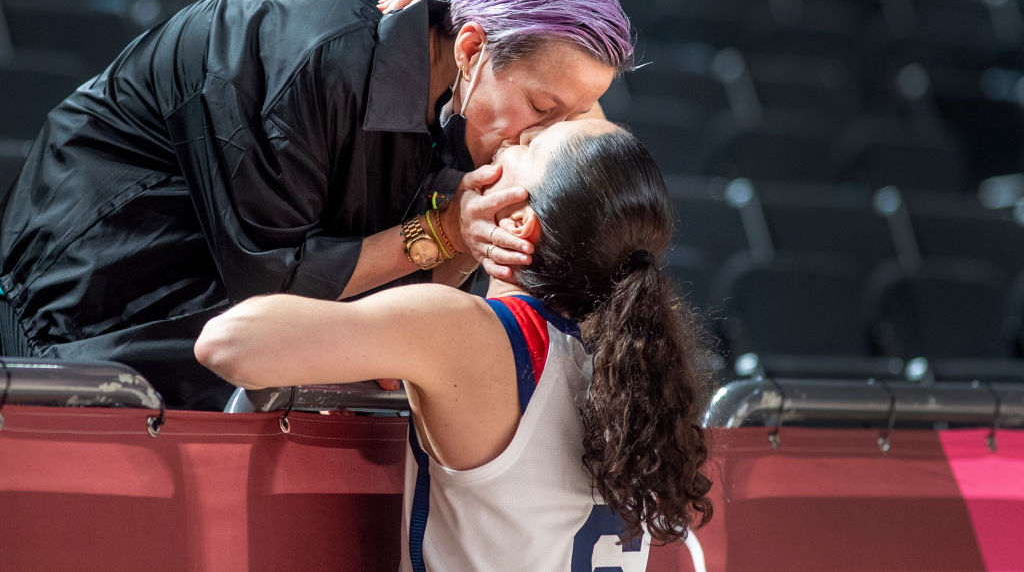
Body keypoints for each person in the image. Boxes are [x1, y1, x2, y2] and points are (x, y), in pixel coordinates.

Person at [0, 0, 633, 409]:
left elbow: (410, 313)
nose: (539, 133)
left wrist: (462, 234)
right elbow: (272, 285)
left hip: (213, 329)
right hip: (90, 307)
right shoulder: (298, 58)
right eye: (543, 108)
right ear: (470, 49)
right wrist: (444, 234)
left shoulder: (476, 97)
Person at [195, 118, 714, 571]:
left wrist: (446, 233)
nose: (512, 139)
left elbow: (227, 342)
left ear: (518, 222)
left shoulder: (471, 333)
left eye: (530, 145)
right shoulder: (638, 370)